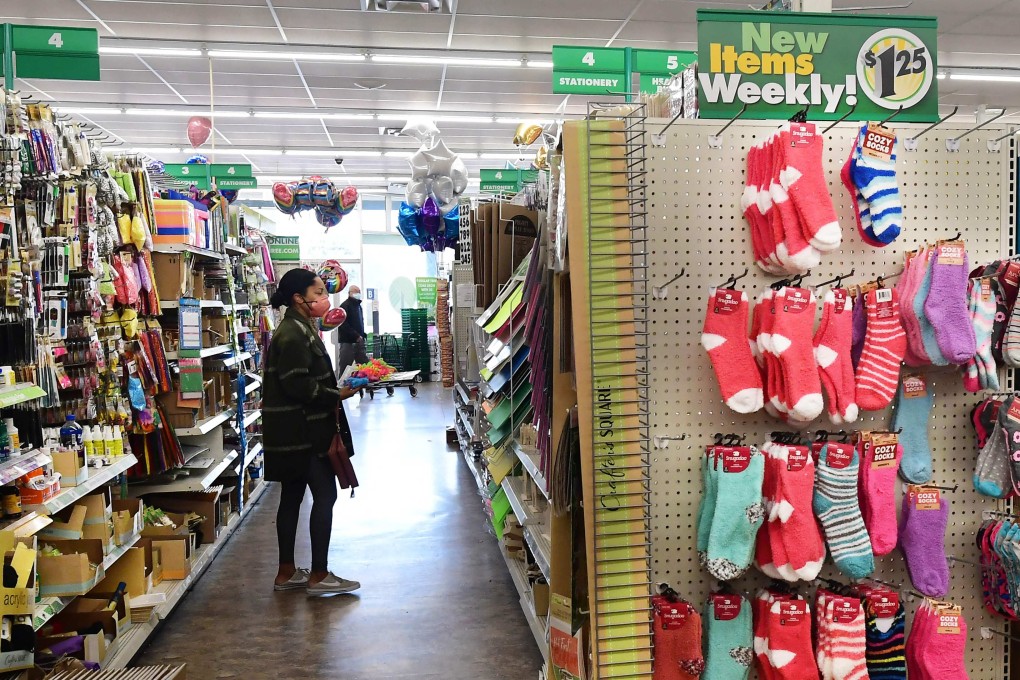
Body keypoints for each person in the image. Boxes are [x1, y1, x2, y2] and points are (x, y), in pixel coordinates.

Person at [263, 268, 361, 595]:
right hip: (303, 434)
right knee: (325, 495)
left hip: (291, 433)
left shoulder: (300, 328)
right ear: (298, 298)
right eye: (318, 292)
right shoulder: (292, 334)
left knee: (291, 497)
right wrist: (338, 394)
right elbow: (298, 385)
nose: (324, 298)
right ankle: (319, 575)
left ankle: (287, 572)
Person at [337, 285, 369, 370]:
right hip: (348, 341)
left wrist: (362, 334)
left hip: (359, 340)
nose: (357, 294)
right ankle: (343, 382)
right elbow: (343, 324)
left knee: (364, 365)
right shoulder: (345, 306)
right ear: (349, 293)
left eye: (359, 292)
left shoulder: (358, 306)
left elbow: (359, 322)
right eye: (355, 292)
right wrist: (356, 335)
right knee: (346, 366)